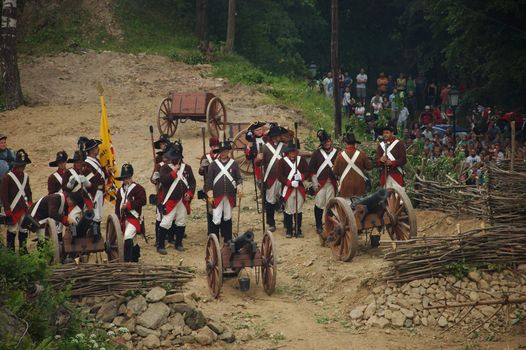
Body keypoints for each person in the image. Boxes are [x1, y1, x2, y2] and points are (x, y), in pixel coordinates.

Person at [158, 143, 196, 253]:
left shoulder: (187, 168)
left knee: (181, 221)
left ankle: (179, 243)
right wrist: (174, 173)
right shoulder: (165, 168)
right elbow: (163, 180)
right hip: (170, 200)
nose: (174, 160)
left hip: (183, 201)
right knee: (166, 222)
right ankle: (160, 245)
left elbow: (192, 182)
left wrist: (189, 193)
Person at [205, 140, 243, 243]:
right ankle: (215, 239)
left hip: (229, 195)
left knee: (228, 216)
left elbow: (238, 178)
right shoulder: (213, 165)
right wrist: (210, 193)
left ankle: (228, 238)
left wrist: (239, 188)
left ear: (228, 151)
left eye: (225, 151)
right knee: (216, 216)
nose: (223, 153)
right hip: (217, 195)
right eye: (221, 151)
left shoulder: (233, 164)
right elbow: (209, 181)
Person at [257, 124, 288, 232]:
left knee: (285, 199)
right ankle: (271, 223)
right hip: (270, 178)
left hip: (283, 178)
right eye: (278, 135)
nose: (279, 137)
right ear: (274, 136)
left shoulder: (284, 147)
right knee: (270, 201)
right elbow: (258, 163)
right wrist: (258, 159)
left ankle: (287, 222)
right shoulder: (265, 148)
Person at [1, 149, 33, 253]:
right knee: (12, 230)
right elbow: (4, 195)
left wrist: (30, 203)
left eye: (23, 165)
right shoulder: (7, 177)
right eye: (20, 165)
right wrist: (7, 209)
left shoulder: (26, 176)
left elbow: (28, 191)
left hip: (23, 208)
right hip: (12, 208)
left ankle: (23, 251)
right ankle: (11, 251)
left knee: (23, 229)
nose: (22, 167)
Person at [308, 129, 338, 234]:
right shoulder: (316, 153)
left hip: (332, 183)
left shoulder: (337, 153)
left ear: (331, 141)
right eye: (325, 142)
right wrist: (315, 182)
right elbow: (311, 170)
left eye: (328, 141)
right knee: (319, 204)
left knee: (331, 204)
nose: (327, 143)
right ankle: (319, 225)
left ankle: (330, 224)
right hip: (320, 183)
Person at [277, 141, 309, 238]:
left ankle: (298, 229)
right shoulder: (282, 162)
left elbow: (307, 171)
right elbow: (280, 176)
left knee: (298, 209)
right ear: (288, 152)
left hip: (299, 188)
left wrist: (301, 177)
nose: (293, 153)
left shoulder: (301, 160)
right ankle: (289, 230)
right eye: (291, 152)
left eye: (294, 151)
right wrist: (289, 183)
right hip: (288, 189)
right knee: (288, 209)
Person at [115, 163, 147, 262]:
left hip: (134, 218)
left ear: (131, 176)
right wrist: (117, 220)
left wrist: (129, 205)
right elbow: (117, 207)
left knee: (128, 237)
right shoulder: (120, 191)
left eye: (128, 177)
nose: (126, 180)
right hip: (124, 219)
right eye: (124, 178)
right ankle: (135, 258)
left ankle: (127, 261)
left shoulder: (138, 189)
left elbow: (143, 201)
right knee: (132, 241)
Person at [80, 138, 106, 242]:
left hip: (99, 191)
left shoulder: (96, 161)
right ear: (91, 150)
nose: (98, 149)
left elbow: (101, 175)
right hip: (93, 193)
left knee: (98, 213)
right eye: (96, 148)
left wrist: (107, 172)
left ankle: (97, 232)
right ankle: (95, 234)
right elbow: (91, 181)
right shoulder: (86, 164)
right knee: (95, 213)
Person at [333, 133, 372, 199]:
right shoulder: (362, 154)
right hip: (359, 185)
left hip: (345, 186)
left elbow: (335, 171)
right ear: (355, 144)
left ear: (346, 143)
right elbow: (369, 167)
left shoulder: (340, 155)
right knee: (359, 205)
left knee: (346, 206)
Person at [199, 136, 220, 235]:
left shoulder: (222, 155)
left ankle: (222, 229)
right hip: (209, 186)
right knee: (210, 209)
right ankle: (211, 230)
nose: (215, 148)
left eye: (217, 146)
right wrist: (202, 168)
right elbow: (201, 172)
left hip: (220, 185)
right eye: (214, 146)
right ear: (211, 147)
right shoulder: (205, 157)